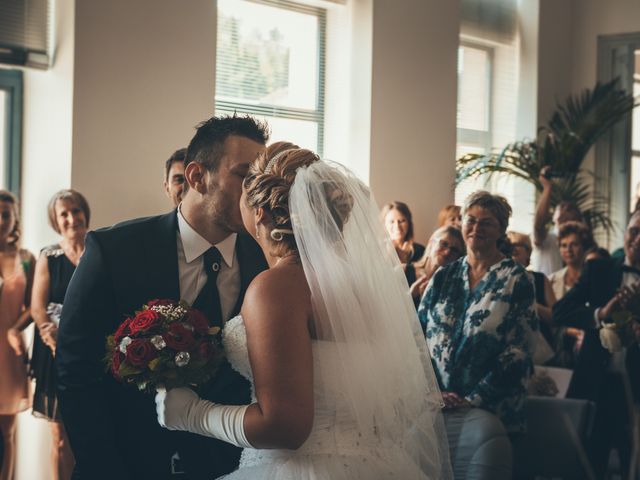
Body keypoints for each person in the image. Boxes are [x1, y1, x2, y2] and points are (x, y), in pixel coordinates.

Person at [155, 145, 452, 479]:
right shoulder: (364, 289)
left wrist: (193, 414)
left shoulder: (276, 288)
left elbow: (285, 428)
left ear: (261, 215)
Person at [56, 115, 270, 480]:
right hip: (125, 463)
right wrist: (102, 467)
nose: (256, 191)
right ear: (196, 176)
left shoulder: (266, 263)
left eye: (260, 179)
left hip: (227, 468)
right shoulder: (114, 251)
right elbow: (76, 370)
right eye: (243, 175)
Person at [418, 191, 538, 436]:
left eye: (487, 223)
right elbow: (417, 335)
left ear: (501, 230)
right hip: (438, 407)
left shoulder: (517, 279)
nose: (476, 228)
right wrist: (432, 391)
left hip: (491, 411)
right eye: (470, 220)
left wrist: (472, 399)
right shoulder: (444, 276)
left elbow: (519, 350)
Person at [552, 209, 640, 477]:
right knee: (588, 462)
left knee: (633, 463)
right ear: (625, 234)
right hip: (595, 383)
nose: (638, 239)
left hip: (636, 388)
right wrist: (599, 313)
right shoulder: (599, 269)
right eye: (634, 231)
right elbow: (560, 312)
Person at [29, 190, 90, 479]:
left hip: (91, 352)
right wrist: (50, 336)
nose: (71, 218)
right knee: (61, 437)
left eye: (75, 210)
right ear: (55, 220)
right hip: (54, 352)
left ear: (85, 212)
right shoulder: (48, 256)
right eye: (63, 213)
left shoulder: (99, 249)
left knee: (90, 435)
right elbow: (37, 308)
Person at [0, 190, 35, 480]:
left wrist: (15, 328)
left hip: (8, 352)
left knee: (6, 430)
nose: (1, 220)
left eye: (6, 214)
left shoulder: (25, 258)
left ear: (15, 219)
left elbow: (36, 305)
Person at [531, 167, 584, 275]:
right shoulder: (548, 240)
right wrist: (547, 188)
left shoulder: (582, 245)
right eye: (561, 207)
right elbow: (538, 225)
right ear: (554, 217)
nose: (565, 209)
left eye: (569, 209)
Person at [408, 225, 465, 305]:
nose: (447, 252)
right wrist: (410, 296)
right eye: (444, 244)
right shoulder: (403, 272)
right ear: (431, 243)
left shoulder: (454, 288)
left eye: (454, 250)